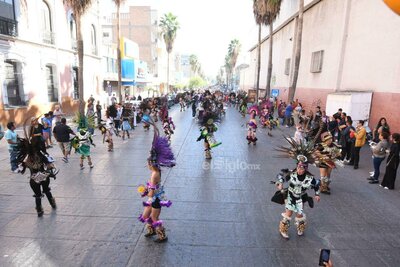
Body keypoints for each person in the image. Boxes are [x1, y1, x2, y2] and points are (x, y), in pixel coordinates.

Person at [138, 116, 175, 242]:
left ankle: (162, 234)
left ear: (152, 164)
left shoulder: (154, 174)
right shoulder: (156, 171)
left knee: (154, 217)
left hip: (155, 199)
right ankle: (151, 229)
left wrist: (145, 191)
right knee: (145, 215)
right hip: (153, 198)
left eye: (148, 164)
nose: (147, 166)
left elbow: (152, 191)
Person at [274, 141, 321, 239]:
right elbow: (281, 176)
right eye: (298, 167)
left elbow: (316, 184)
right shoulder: (292, 174)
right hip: (290, 195)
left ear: (306, 169)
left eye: (302, 168)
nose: (299, 170)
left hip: (301, 197)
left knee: (299, 214)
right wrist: (280, 183)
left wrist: (317, 194)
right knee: (288, 213)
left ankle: (300, 228)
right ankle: (283, 230)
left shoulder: (309, 178)